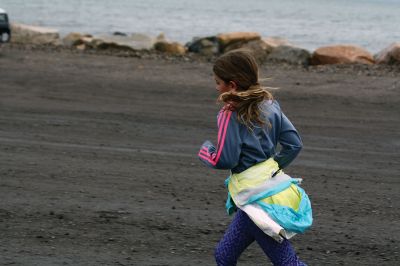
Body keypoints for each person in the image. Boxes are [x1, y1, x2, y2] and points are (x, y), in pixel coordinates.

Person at [198, 49, 312, 265]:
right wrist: (269, 169)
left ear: (231, 85)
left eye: (217, 82)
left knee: (287, 262)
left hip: (256, 200)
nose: (216, 87)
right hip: (270, 191)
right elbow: (294, 144)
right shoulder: (270, 105)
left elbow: (225, 159)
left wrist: (205, 150)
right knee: (224, 255)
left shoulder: (229, 114)